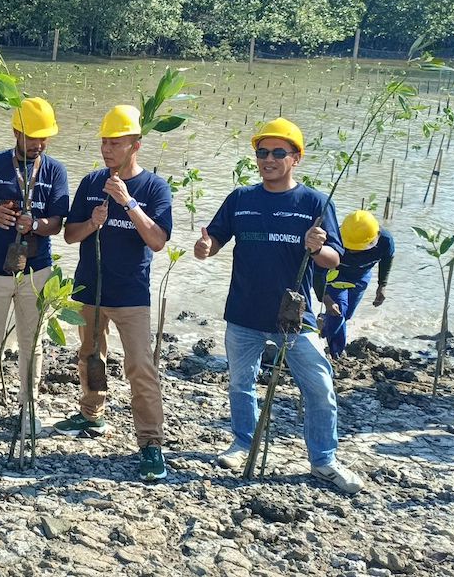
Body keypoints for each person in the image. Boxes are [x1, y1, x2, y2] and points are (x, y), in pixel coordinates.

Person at [194, 117, 364, 494]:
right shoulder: (241, 198)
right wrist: (204, 248)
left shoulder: (315, 203)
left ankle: (324, 461)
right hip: (243, 312)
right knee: (241, 384)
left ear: (295, 158)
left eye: (277, 152)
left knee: (319, 388)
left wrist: (318, 247)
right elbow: (212, 242)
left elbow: (334, 259)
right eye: (261, 152)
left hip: (295, 317)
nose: (267, 159)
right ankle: (242, 443)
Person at [57, 105, 172, 482]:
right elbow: (70, 235)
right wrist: (92, 223)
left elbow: (157, 241)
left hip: (131, 293)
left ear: (135, 145)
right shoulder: (91, 183)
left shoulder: (153, 187)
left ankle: (151, 444)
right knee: (89, 354)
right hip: (91, 287)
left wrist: (129, 203)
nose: (107, 149)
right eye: (104, 142)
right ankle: (92, 414)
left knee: (140, 367)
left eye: (116, 143)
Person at [0, 98, 69, 435]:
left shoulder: (55, 170)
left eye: (43, 137)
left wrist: (33, 225)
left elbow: (57, 223)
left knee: (31, 341)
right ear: (15, 131)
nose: (38, 143)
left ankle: (28, 405)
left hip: (36, 270)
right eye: (32, 136)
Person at [317, 210, 394, 358]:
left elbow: (387, 259)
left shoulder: (385, 241)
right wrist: (326, 299)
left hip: (361, 278)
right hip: (336, 276)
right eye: (349, 246)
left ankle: (325, 323)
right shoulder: (332, 239)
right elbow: (318, 271)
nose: (351, 250)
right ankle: (337, 354)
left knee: (346, 315)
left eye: (357, 247)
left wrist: (382, 285)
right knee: (338, 312)